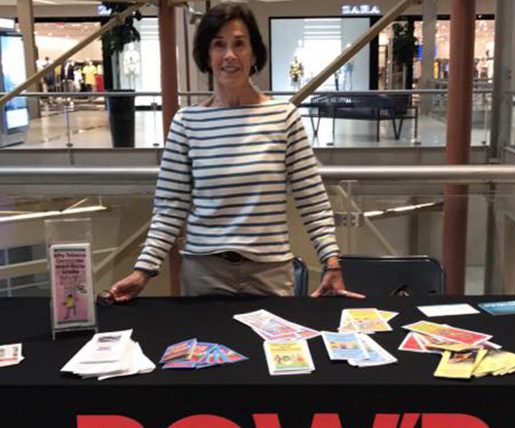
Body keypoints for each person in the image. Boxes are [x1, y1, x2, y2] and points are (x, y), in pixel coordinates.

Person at [109, 2, 364, 303]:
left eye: (239, 44)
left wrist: (331, 262)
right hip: (203, 272)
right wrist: (143, 271)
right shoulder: (187, 122)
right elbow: (169, 207)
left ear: (254, 54)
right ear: (207, 55)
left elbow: (312, 200)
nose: (229, 55)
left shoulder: (283, 117)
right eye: (219, 45)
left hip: (269, 272)